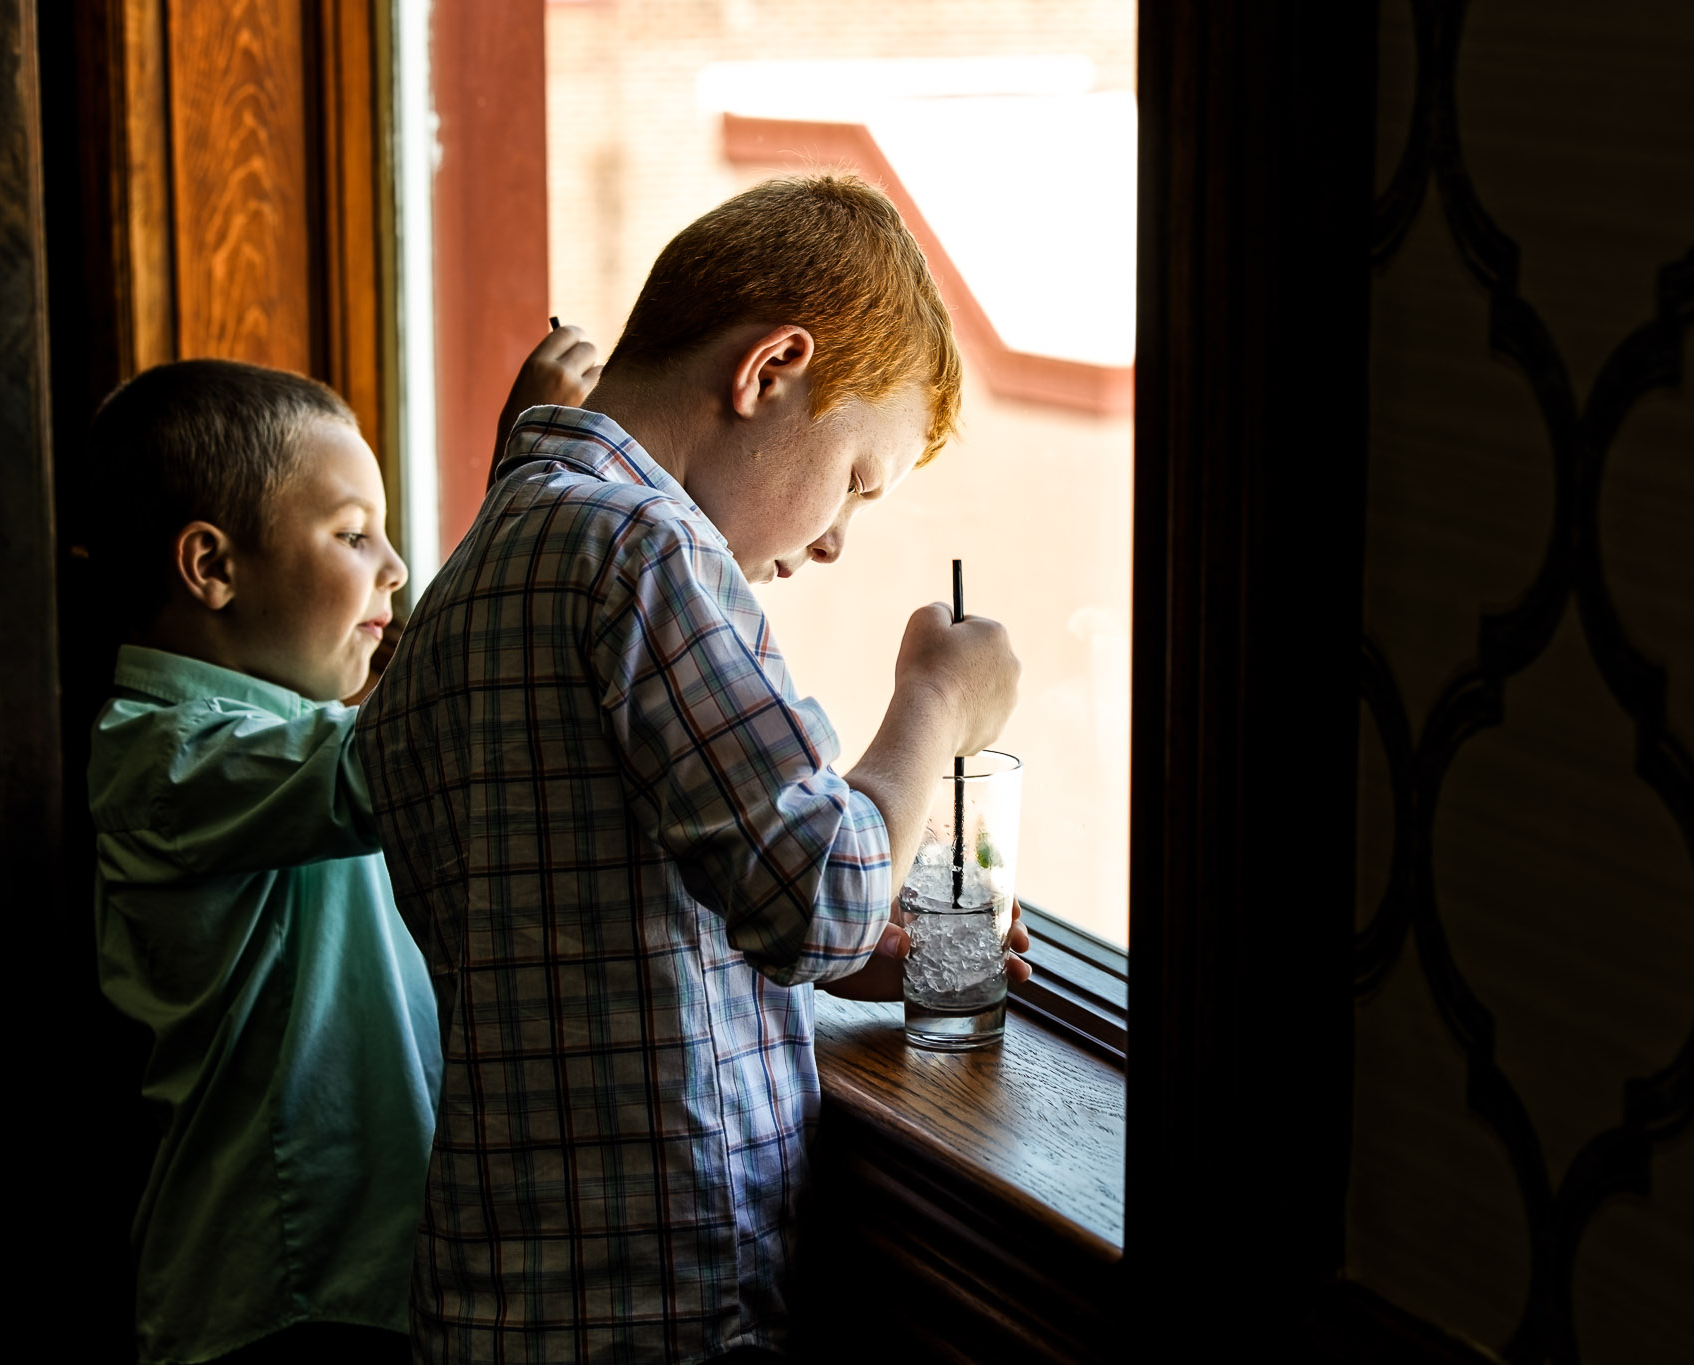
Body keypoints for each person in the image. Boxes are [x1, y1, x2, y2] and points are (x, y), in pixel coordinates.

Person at [357, 173, 1029, 1363]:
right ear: (769, 369)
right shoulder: (641, 546)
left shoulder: (478, 568)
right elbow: (817, 894)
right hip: (655, 1309)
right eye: (856, 482)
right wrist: (933, 705)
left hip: (498, 1291)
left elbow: (585, 921)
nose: (831, 541)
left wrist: (811, 968)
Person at [87, 329, 602, 1365]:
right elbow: (423, 730)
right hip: (276, 1298)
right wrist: (525, 477)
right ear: (212, 567)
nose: (397, 566)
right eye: (353, 534)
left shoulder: (269, 741)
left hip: (349, 1286)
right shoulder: (172, 758)